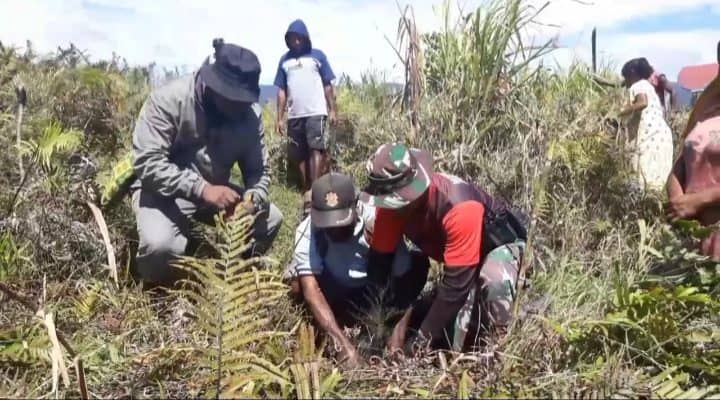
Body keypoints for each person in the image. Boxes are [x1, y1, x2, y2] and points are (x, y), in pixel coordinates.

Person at [130, 39, 283, 286]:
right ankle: (164, 290)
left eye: (244, 101)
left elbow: (259, 172)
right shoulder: (170, 101)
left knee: (272, 218)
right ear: (214, 87)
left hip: (217, 192)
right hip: (162, 191)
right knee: (161, 246)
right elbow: (147, 163)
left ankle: (231, 276)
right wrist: (201, 189)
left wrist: (250, 201)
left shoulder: (248, 117)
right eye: (233, 100)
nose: (239, 107)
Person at [359, 143, 528, 354]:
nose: (395, 208)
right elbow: (379, 268)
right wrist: (375, 327)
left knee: (493, 281)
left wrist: (420, 343)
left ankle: (498, 351)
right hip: (460, 263)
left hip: (498, 249)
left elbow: (456, 286)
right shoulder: (391, 210)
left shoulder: (459, 207)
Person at [284, 172, 430, 367]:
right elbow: (312, 290)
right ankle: (321, 330)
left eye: (341, 223)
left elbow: (402, 280)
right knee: (296, 283)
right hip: (334, 287)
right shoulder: (307, 230)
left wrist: (394, 332)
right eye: (328, 225)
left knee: (417, 263)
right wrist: (344, 346)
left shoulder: (378, 220)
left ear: (355, 207)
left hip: (372, 289)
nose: (335, 230)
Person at [274, 19, 338, 193]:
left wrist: (332, 109)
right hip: (295, 114)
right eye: (292, 38)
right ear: (288, 39)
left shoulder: (317, 56)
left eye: (299, 38)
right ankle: (306, 186)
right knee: (296, 153)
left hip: (315, 111)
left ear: (305, 38)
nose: (296, 41)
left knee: (315, 149)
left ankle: (314, 190)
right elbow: (281, 91)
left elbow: (327, 85)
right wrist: (279, 118)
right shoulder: (284, 61)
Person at [666, 67, 720, 259]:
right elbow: (682, 160)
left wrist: (698, 201)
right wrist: (679, 203)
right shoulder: (706, 106)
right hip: (694, 243)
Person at [619, 58, 674, 193]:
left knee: (643, 172)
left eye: (625, 77)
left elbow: (642, 102)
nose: (625, 82)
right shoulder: (649, 86)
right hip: (661, 135)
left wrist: (620, 112)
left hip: (650, 136)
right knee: (657, 173)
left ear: (632, 73)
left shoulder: (637, 86)